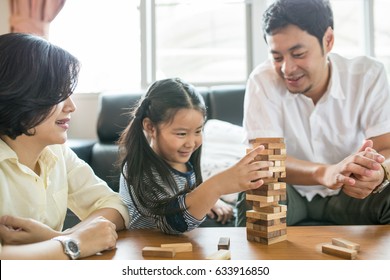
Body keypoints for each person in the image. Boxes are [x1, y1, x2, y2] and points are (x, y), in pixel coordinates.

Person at [236, 0, 390, 226]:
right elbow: (265, 159)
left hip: (351, 192)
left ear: (328, 40)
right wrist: (325, 173)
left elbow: (385, 147)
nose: (287, 69)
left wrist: (379, 174)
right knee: (258, 187)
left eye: (298, 54)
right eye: (277, 57)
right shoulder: (262, 80)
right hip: (291, 194)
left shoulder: (367, 74)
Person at [0, 33, 130, 259]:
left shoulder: (57, 152)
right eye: (59, 94)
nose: (71, 106)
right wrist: (75, 243)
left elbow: (115, 205)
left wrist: (56, 237)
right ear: (22, 94)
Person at [118, 78, 273, 234]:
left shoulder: (183, 160)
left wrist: (209, 200)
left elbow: (187, 195)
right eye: (181, 134)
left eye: (198, 131)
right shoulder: (141, 169)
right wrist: (216, 186)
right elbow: (170, 224)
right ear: (150, 127)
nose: (191, 143)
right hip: (154, 246)